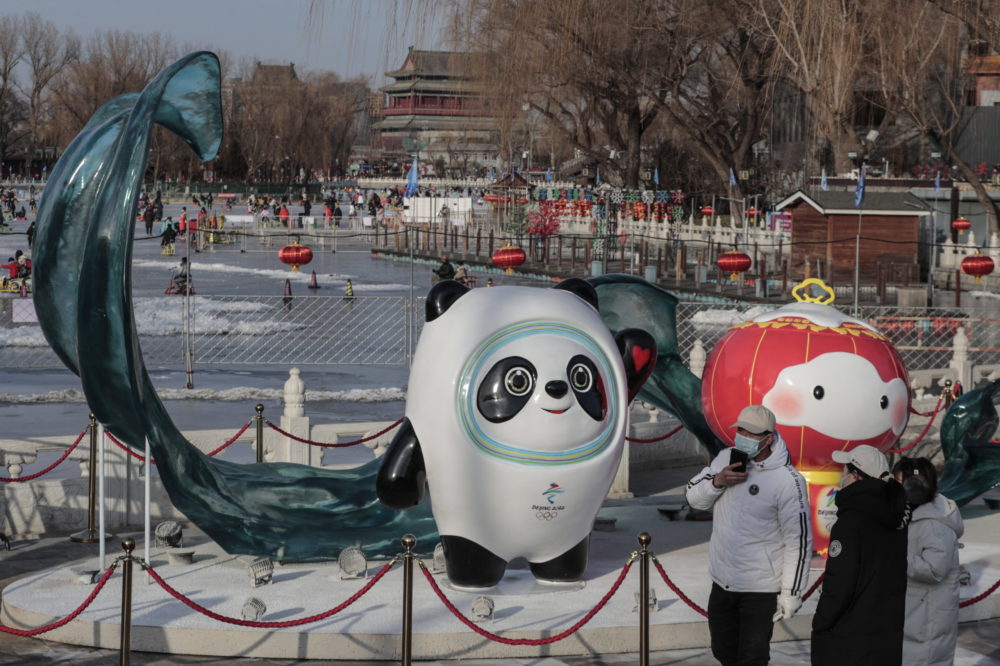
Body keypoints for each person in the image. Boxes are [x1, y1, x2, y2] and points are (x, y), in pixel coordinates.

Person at [686, 405, 812, 666]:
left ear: (768, 438)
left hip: (761, 588)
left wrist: (791, 592)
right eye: (740, 430)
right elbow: (693, 498)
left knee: (752, 658)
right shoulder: (724, 458)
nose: (742, 436)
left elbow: (797, 541)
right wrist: (717, 482)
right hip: (723, 581)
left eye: (751, 433)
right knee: (722, 650)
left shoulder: (788, 480)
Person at [812, 445, 909, 666]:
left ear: (856, 476)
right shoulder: (895, 515)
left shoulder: (851, 520)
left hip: (849, 637)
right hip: (885, 632)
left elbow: (840, 582)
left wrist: (821, 622)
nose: (842, 476)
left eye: (845, 471)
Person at [892, 457, 963, 666]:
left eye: (899, 481)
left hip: (926, 618)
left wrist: (893, 554)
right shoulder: (911, 512)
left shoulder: (934, 523)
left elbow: (934, 570)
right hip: (914, 613)